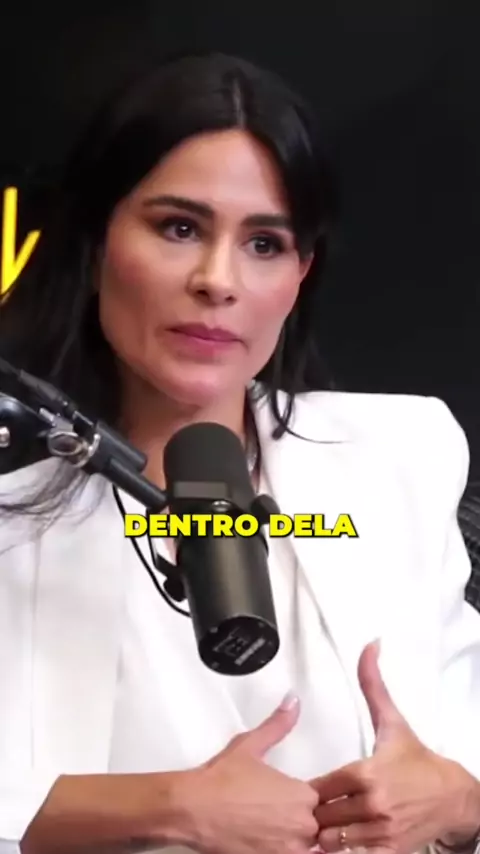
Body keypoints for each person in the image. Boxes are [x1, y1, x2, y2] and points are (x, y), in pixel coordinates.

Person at [0, 50, 479, 854]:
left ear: (301, 273)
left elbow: (464, 758)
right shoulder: (14, 485)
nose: (218, 280)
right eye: (179, 228)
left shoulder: (400, 455)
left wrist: (459, 802)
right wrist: (160, 808)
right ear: (96, 241)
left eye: (264, 243)